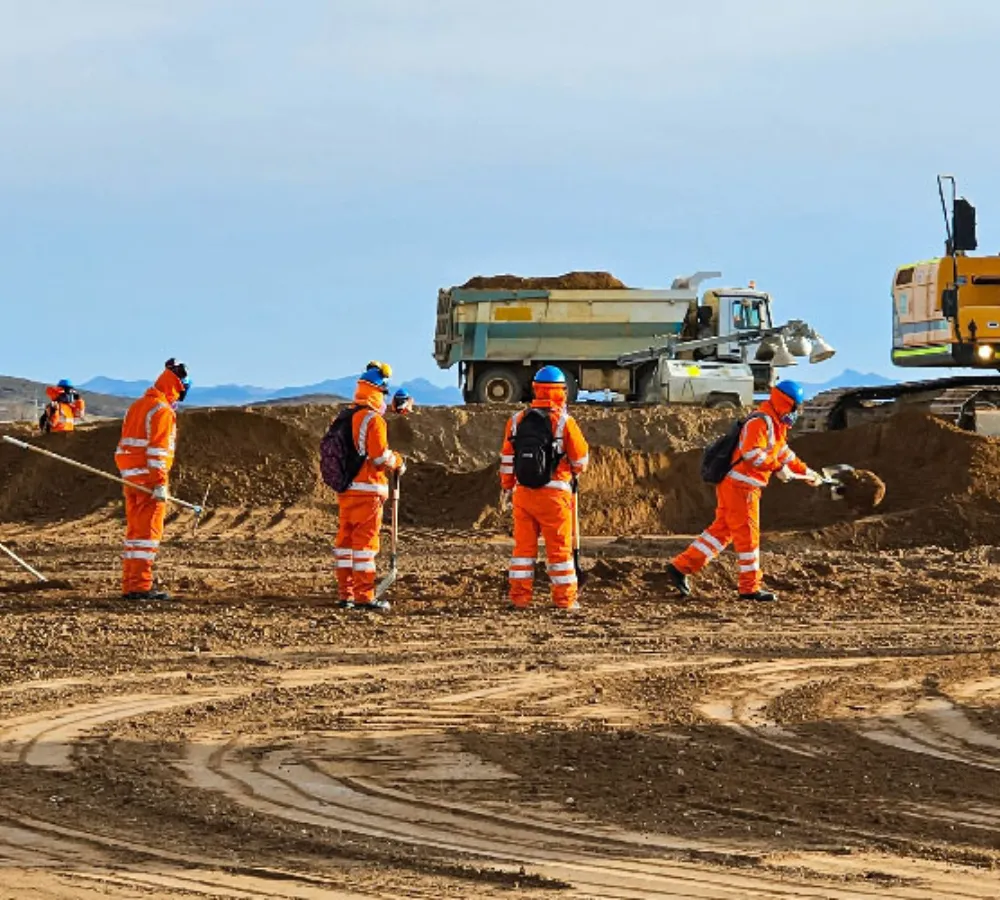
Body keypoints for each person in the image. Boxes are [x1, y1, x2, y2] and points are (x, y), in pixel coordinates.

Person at [666, 380, 823, 603]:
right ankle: (749, 588)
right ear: (785, 403)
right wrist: (777, 467)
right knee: (748, 537)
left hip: (742, 486)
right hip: (741, 487)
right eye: (796, 407)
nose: (797, 413)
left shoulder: (775, 425)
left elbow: (785, 454)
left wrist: (808, 473)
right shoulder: (761, 422)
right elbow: (752, 455)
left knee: (722, 531)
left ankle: (681, 567)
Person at [500, 365, 589, 611]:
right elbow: (580, 460)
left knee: (522, 551)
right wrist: (572, 469)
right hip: (555, 495)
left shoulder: (517, 421)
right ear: (562, 391)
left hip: (523, 494)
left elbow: (507, 460)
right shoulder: (564, 422)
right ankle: (564, 600)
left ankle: (520, 599)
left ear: (535, 389)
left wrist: (508, 487)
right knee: (559, 551)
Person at [114, 359, 191, 602]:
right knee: (147, 537)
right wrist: (159, 483)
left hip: (131, 479)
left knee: (135, 535)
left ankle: (131, 584)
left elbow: (126, 445)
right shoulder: (162, 411)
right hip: (148, 482)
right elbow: (158, 452)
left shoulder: (137, 406)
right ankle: (139, 587)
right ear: (178, 388)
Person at [334, 361, 404, 611]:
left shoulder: (345, 416)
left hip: (345, 489)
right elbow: (378, 457)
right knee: (365, 547)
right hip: (368, 490)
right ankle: (365, 596)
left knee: (345, 543)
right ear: (379, 391)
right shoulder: (373, 420)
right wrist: (397, 461)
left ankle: (346, 595)